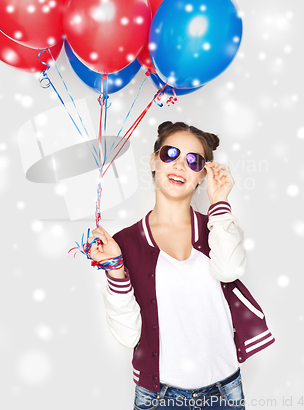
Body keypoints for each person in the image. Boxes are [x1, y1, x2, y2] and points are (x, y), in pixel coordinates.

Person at [88, 121, 274, 409]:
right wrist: (115, 268)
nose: (179, 165)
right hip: (158, 397)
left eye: (193, 161)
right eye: (169, 154)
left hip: (223, 393)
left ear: (202, 175)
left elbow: (229, 270)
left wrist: (220, 200)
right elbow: (128, 335)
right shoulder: (125, 242)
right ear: (153, 160)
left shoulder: (217, 226)